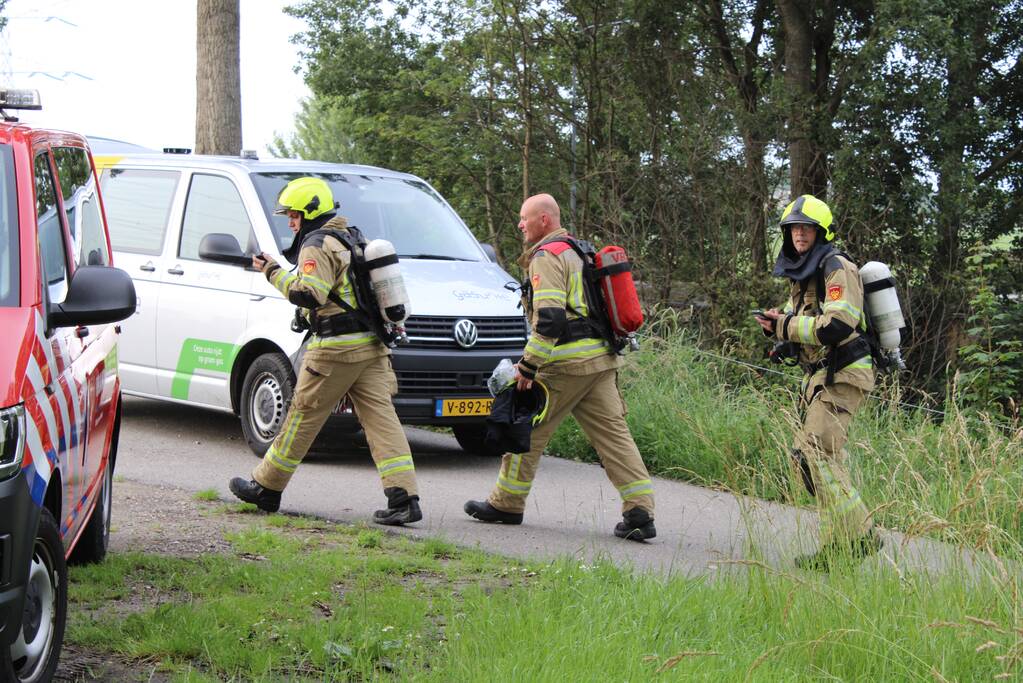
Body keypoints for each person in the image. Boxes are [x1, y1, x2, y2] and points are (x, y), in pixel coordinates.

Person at [229, 177, 422, 526]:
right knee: (382, 421)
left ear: (310, 212)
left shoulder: (317, 243)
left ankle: (266, 487)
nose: (291, 222)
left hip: (334, 351)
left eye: (294, 215)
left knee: (301, 417)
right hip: (371, 347)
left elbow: (309, 294)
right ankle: (404, 498)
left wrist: (272, 271)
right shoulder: (352, 236)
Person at [463, 193, 656, 541]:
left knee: (525, 427)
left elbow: (550, 319)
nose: (520, 225)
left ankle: (506, 503)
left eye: (525, 218)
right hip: (600, 362)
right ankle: (640, 511)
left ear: (544, 220)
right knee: (615, 438)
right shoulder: (579, 251)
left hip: (565, 365)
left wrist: (528, 366)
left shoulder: (546, 256)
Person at [756, 194, 881, 570]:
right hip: (822, 377)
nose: (799, 234)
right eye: (793, 228)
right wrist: (778, 332)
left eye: (807, 228)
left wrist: (785, 325)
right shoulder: (807, 271)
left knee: (815, 455)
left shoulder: (835, 266)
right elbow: (803, 321)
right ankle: (837, 547)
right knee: (814, 461)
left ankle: (862, 534)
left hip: (843, 374)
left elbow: (837, 325)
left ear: (821, 231)